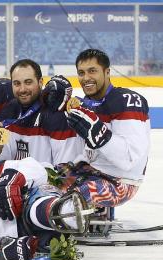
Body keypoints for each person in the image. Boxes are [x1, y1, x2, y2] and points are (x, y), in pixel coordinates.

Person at [44, 49, 150, 210]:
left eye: (92, 71)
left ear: (107, 72)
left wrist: (101, 136)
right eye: (81, 73)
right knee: (41, 180)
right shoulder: (86, 104)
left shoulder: (126, 100)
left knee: (68, 202)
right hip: (89, 171)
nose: (86, 78)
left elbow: (130, 159)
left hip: (121, 182)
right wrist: (55, 100)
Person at [0, 59, 81, 166]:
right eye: (17, 83)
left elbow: (65, 171)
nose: (22, 89)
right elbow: (0, 164)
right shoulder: (8, 111)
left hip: (46, 182)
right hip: (14, 181)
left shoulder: (56, 115)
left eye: (28, 82)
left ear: (40, 82)